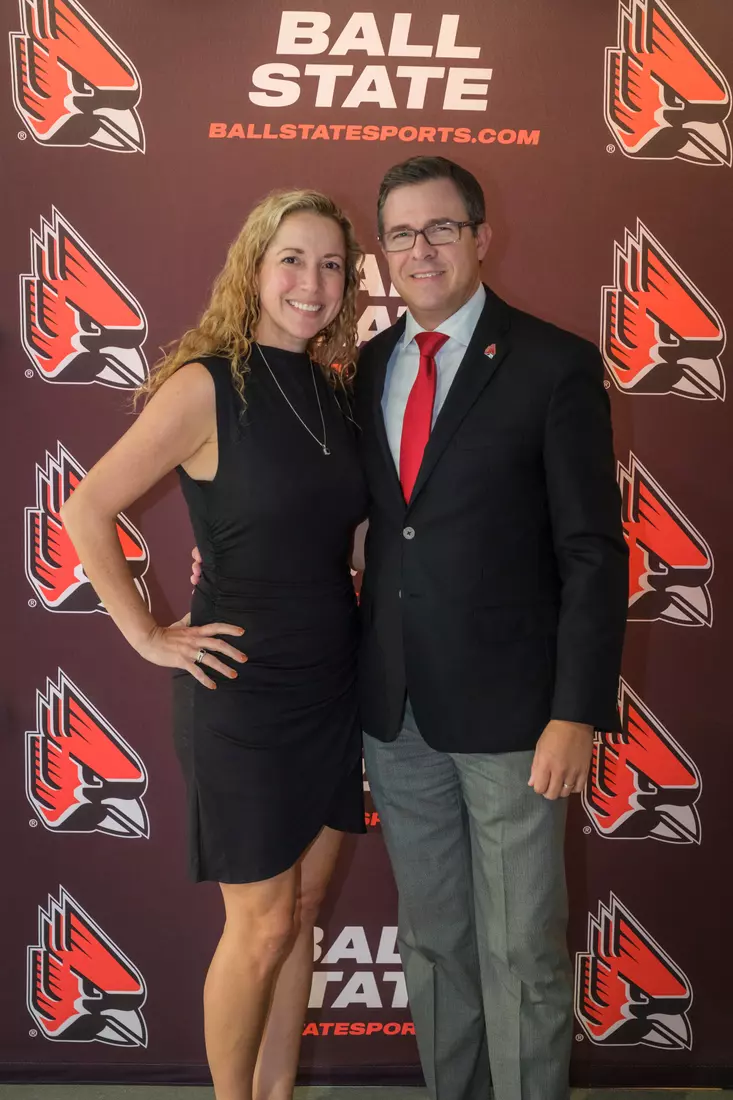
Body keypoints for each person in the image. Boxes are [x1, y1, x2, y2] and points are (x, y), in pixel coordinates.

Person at [61, 189, 368, 1100]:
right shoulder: (206, 385)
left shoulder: (336, 393)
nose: (311, 282)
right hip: (241, 691)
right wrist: (147, 634)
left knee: (302, 910)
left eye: (330, 265)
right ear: (254, 268)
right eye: (292, 260)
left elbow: (347, 537)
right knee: (262, 924)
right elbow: (86, 507)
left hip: (333, 683)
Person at [353, 156, 629, 1100]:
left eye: (440, 228)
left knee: (522, 953)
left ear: (480, 236)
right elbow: (371, 520)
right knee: (434, 947)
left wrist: (574, 712)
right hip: (397, 714)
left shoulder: (553, 364)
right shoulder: (369, 367)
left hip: (516, 720)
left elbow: (592, 552)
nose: (420, 250)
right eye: (400, 233)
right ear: (382, 251)